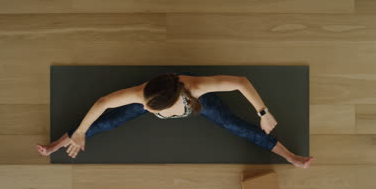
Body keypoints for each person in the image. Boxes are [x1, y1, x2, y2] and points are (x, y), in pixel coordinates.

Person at [36, 72, 313, 168]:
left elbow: (240, 82)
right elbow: (102, 104)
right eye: (148, 105)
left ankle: (291, 157)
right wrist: (81, 131)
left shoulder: (197, 88)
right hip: (159, 95)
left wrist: (264, 113)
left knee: (236, 127)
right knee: (109, 121)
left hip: (200, 107)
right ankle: (60, 142)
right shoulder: (140, 96)